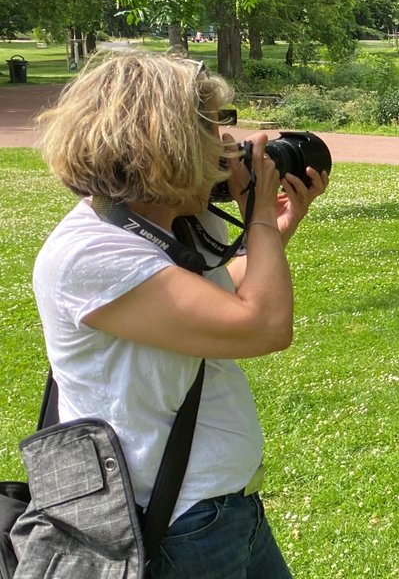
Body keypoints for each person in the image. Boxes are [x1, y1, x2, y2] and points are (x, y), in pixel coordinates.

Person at [31, 49, 328, 578]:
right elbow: (262, 326)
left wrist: (276, 230)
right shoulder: (91, 253)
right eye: (212, 128)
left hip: (225, 506)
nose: (227, 147)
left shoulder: (177, 221)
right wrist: (258, 215)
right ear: (164, 143)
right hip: (173, 524)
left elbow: (217, 300)